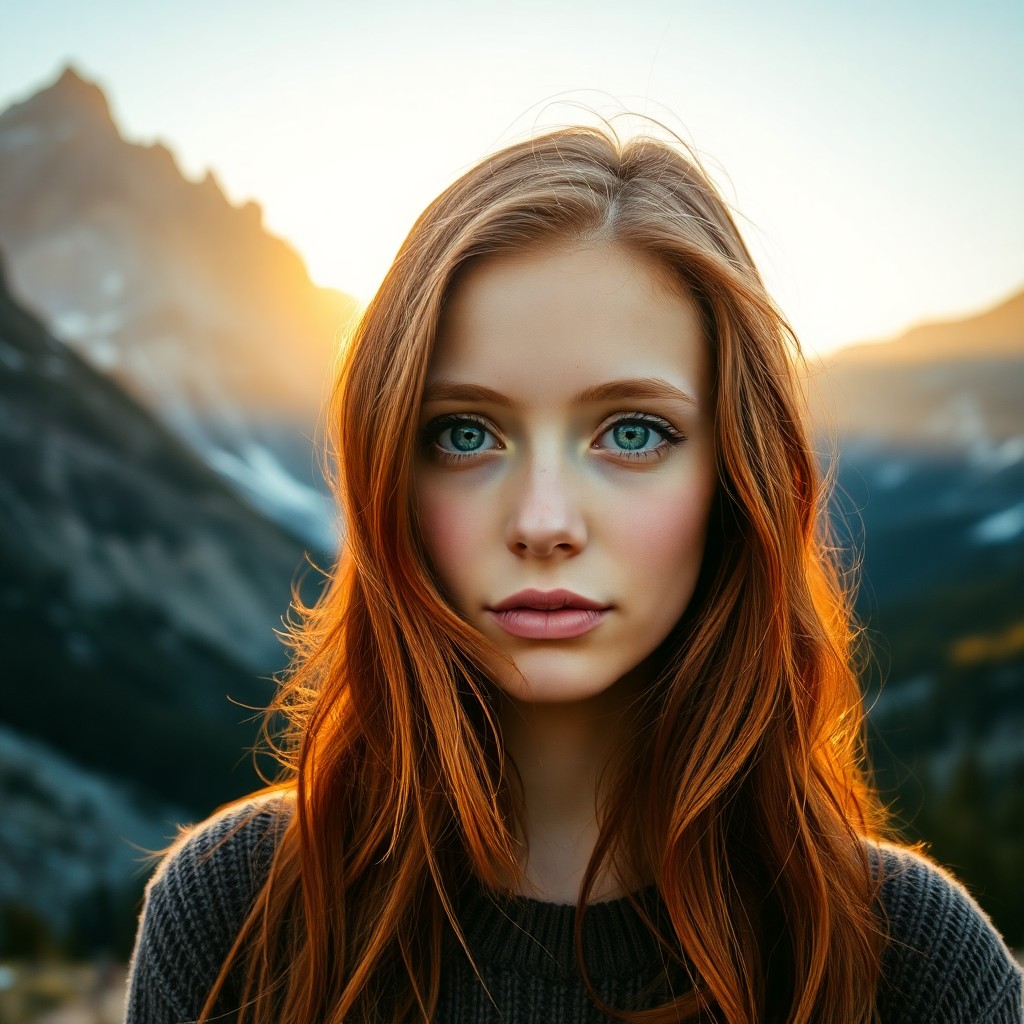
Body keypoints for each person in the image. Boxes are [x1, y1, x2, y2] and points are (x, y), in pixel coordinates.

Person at [124, 124, 1023, 1024]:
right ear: (389, 474)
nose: (543, 522)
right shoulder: (235, 915)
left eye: (632, 432)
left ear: (739, 478)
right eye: (466, 433)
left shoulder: (910, 960)